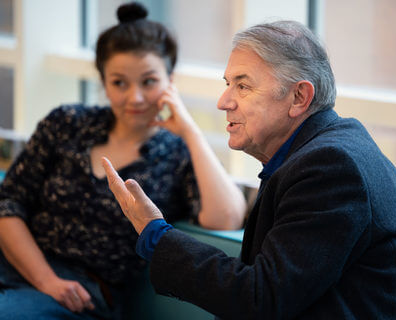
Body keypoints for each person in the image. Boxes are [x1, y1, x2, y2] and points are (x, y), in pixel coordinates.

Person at [104, 20, 396, 319]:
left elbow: (261, 299)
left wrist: (155, 233)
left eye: (242, 87)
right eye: (228, 84)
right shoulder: (318, 154)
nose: (223, 101)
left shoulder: (331, 168)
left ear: (299, 97)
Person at [0, 3, 246, 319]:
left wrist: (190, 131)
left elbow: (226, 219)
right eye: (119, 83)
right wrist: (45, 279)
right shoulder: (67, 123)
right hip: (21, 267)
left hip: (82, 296)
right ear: (103, 83)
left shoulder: (176, 155)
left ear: (170, 80)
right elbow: (8, 204)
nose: (136, 98)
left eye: (148, 81)